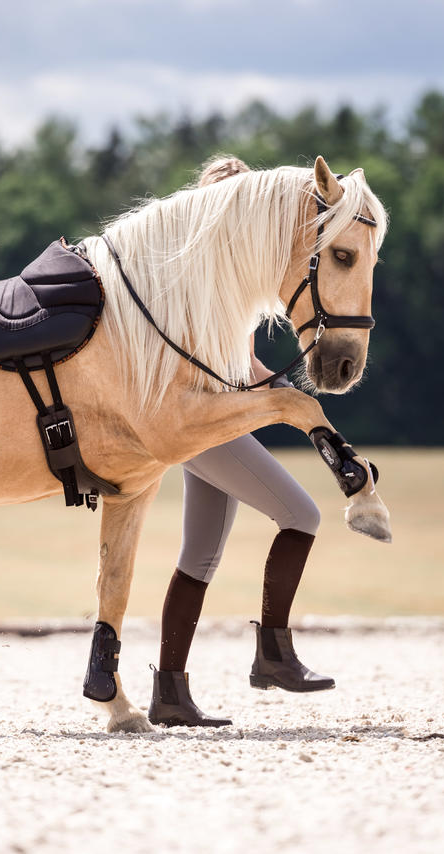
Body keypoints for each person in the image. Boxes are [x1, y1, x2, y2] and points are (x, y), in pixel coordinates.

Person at [148, 156, 334, 728]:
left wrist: (282, 393)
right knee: (302, 516)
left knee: (198, 558)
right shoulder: (200, 271)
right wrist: (284, 404)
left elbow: (241, 362)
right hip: (202, 423)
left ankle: (170, 694)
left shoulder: (231, 274)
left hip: (216, 420)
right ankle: (273, 655)